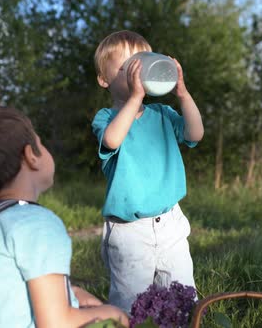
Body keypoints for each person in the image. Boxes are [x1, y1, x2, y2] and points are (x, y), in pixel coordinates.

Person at [0, 104, 128, 328]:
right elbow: (56, 324)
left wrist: (70, 293)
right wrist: (114, 314)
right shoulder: (39, 225)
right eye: (40, 142)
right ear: (31, 156)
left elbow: (5, 294)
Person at [92, 30, 204, 312]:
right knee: (132, 302)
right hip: (129, 231)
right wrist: (134, 98)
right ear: (104, 80)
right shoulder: (106, 118)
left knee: (183, 295)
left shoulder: (163, 114)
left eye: (140, 63)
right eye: (125, 67)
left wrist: (182, 92)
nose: (135, 72)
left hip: (170, 222)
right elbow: (112, 140)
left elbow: (196, 133)